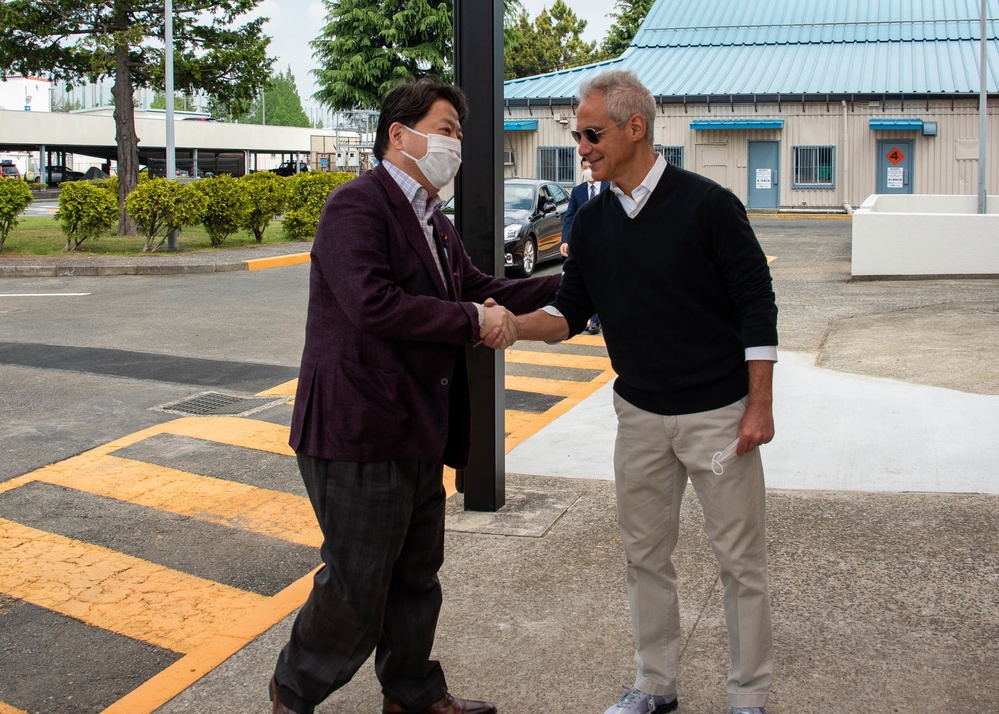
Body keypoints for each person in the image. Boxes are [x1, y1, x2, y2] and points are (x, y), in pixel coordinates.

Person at [270, 78, 562, 714]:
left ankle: (411, 694)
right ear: (399, 136)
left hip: (414, 427)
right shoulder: (357, 206)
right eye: (446, 129)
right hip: (358, 431)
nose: (455, 143)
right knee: (357, 584)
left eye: (458, 132)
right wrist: (471, 322)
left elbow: (480, 286)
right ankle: (292, 694)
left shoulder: (432, 219)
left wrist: (571, 288)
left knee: (414, 576)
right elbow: (374, 304)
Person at [504, 69, 778, 714]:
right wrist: (512, 325)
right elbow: (570, 312)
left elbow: (756, 304)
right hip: (640, 418)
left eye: (592, 133)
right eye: (577, 135)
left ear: (636, 128)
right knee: (643, 557)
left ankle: (749, 696)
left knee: (740, 563)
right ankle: (655, 686)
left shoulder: (708, 206)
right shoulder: (592, 222)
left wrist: (759, 405)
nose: (583, 146)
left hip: (718, 417)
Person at [560, 158, 607, 334]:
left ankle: (596, 320)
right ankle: (590, 316)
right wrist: (565, 240)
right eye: (584, 167)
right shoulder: (577, 191)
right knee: (587, 280)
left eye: (589, 167)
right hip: (584, 245)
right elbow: (569, 217)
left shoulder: (610, 187)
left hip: (605, 244)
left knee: (601, 280)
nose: (587, 170)